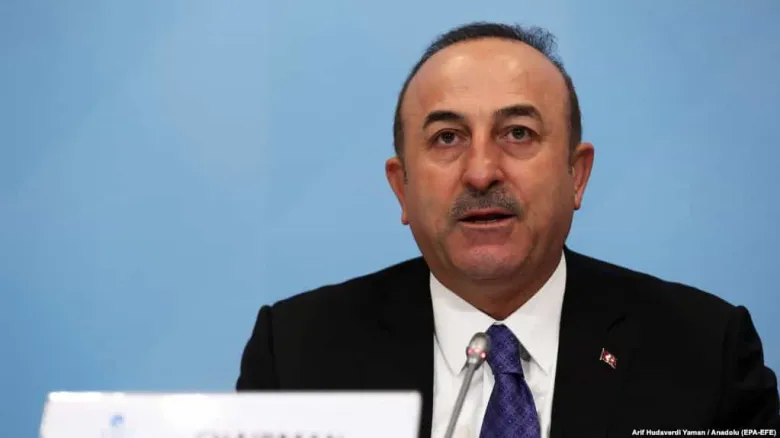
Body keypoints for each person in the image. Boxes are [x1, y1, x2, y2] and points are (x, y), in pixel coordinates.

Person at [236, 22, 779, 437]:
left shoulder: (705, 351)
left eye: (518, 133)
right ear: (402, 187)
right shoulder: (298, 354)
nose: (481, 172)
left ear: (576, 175)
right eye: (447, 138)